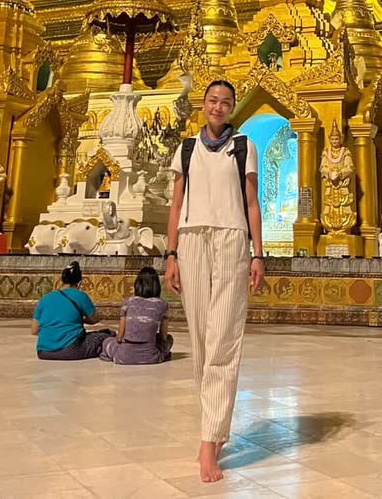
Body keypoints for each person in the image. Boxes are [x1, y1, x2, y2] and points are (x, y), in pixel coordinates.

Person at [164, 79, 265, 484]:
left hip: (230, 239)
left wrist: (258, 253)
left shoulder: (243, 147)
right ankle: (215, 425)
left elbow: (252, 203)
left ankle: (208, 441)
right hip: (191, 241)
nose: (218, 107)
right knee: (203, 341)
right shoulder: (186, 148)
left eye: (225, 102)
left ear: (233, 108)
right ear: (202, 105)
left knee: (224, 335)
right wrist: (170, 254)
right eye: (212, 100)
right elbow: (175, 204)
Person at [31, 261, 112, 360]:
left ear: (62, 281)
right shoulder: (80, 296)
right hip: (70, 350)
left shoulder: (45, 298)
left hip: (43, 352)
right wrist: (81, 320)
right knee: (105, 336)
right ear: (79, 283)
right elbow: (95, 319)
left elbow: (34, 330)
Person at [100, 265, 173, 365]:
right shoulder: (162, 304)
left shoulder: (128, 302)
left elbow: (120, 337)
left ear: (137, 284)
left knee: (106, 341)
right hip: (151, 357)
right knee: (169, 339)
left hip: (123, 357)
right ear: (156, 285)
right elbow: (164, 338)